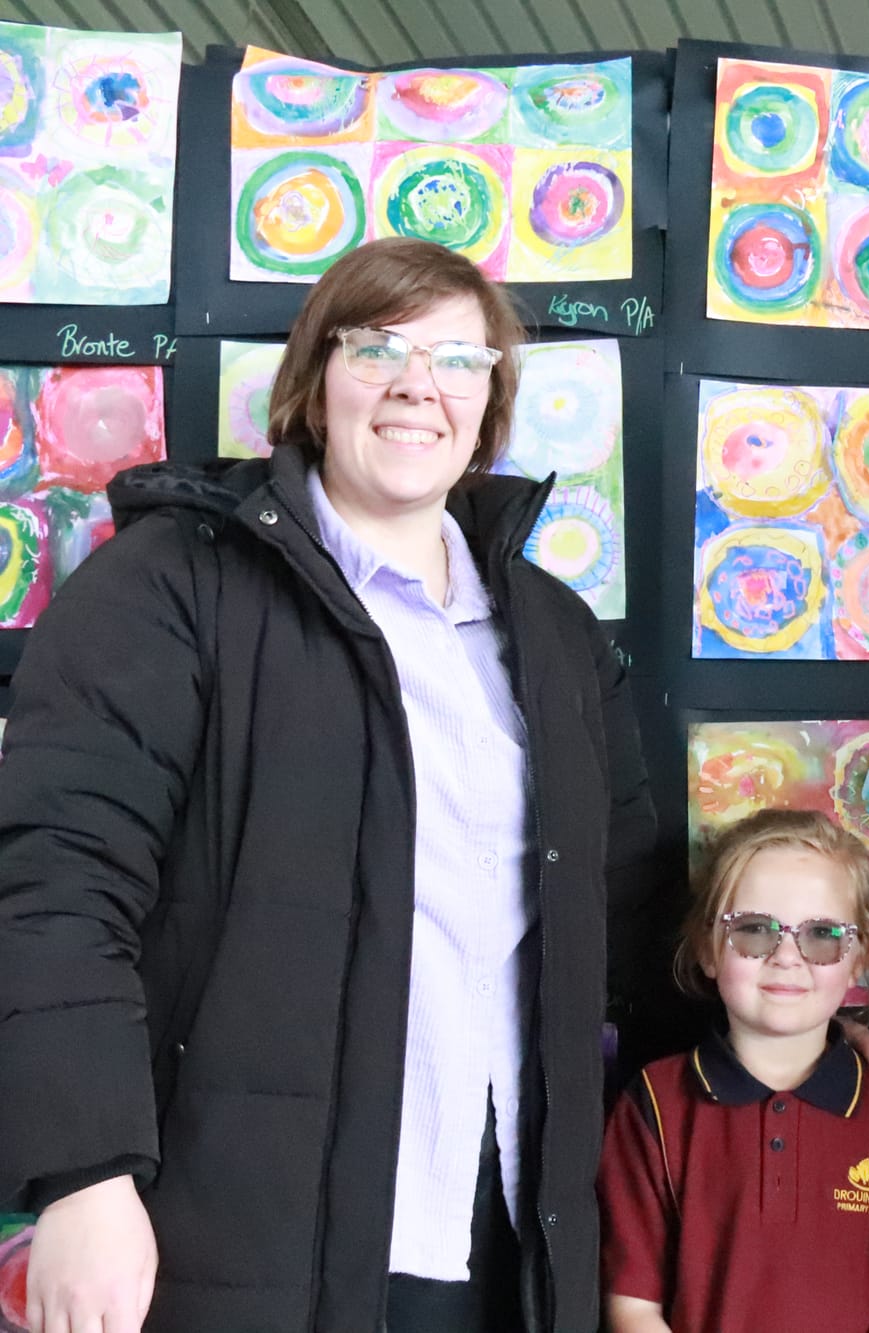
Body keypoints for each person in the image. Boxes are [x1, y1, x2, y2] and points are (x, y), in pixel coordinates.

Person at [0, 237, 657, 1333]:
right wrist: (83, 1175)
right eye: (377, 348)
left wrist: (799, 1040)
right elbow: (56, 885)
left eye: (458, 359)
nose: (417, 386)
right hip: (238, 1239)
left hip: (505, 1235)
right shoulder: (166, 586)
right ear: (312, 380)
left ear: (490, 400)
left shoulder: (553, 634)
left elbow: (628, 910)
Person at [597, 809, 869, 1333]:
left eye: (822, 934)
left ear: (859, 955)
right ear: (709, 948)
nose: (786, 956)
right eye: (754, 930)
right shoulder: (653, 1104)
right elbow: (633, 1307)